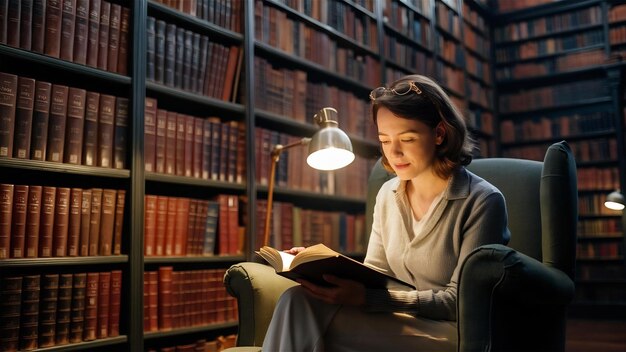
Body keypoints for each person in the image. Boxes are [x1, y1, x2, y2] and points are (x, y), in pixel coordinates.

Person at [262, 74, 511, 351]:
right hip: (396, 317)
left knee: (304, 320)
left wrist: (370, 299)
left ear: (439, 133)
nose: (394, 152)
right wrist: (321, 266)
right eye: (384, 139)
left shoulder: (482, 201)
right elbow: (377, 272)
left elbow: (460, 302)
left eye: (407, 138)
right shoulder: (388, 194)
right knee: (295, 300)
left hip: (453, 332)